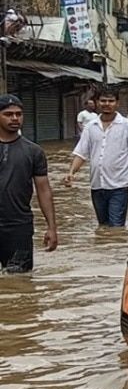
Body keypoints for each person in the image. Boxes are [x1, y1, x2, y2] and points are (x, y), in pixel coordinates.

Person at [64, 86, 128, 227]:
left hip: (119, 187)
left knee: (116, 227)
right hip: (97, 186)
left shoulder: (127, 126)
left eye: (111, 101)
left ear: (117, 103)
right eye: (103, 100)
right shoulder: (91, 126)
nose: (107, 104)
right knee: (103, 226)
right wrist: (71, 172)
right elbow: (81, 153)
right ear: (97, 102)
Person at [0, 94, 56, 273]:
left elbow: (44, 190)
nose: (15, 118)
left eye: (19, 114)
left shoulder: (34, 152)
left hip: (19, 227)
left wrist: (51, 227)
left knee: (19, 281)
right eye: (8, 114)